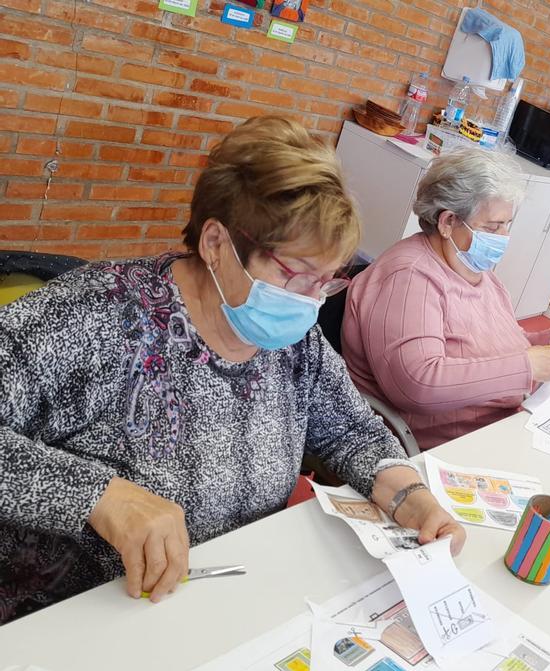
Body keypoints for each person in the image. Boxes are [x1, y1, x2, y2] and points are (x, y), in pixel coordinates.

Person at [0, 116, 463, 624]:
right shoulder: (93, 315)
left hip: (221, 603)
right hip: (70, 616)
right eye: (294, 276)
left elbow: (351, 433)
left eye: (326, 282)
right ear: (216, 243)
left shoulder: (293, 340)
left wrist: (410, 498)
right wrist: (98, 495)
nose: (309, 303)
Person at [342, 148, 550, 450]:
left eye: (507, 224)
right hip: (444, 446)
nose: (504, 236)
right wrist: (526, 367)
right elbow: (419, 384)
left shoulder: (474, 269)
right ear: (447, 222)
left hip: (498, 426)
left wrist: (548, 339)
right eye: (492, 226)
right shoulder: (409, 277)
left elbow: (490, 342)